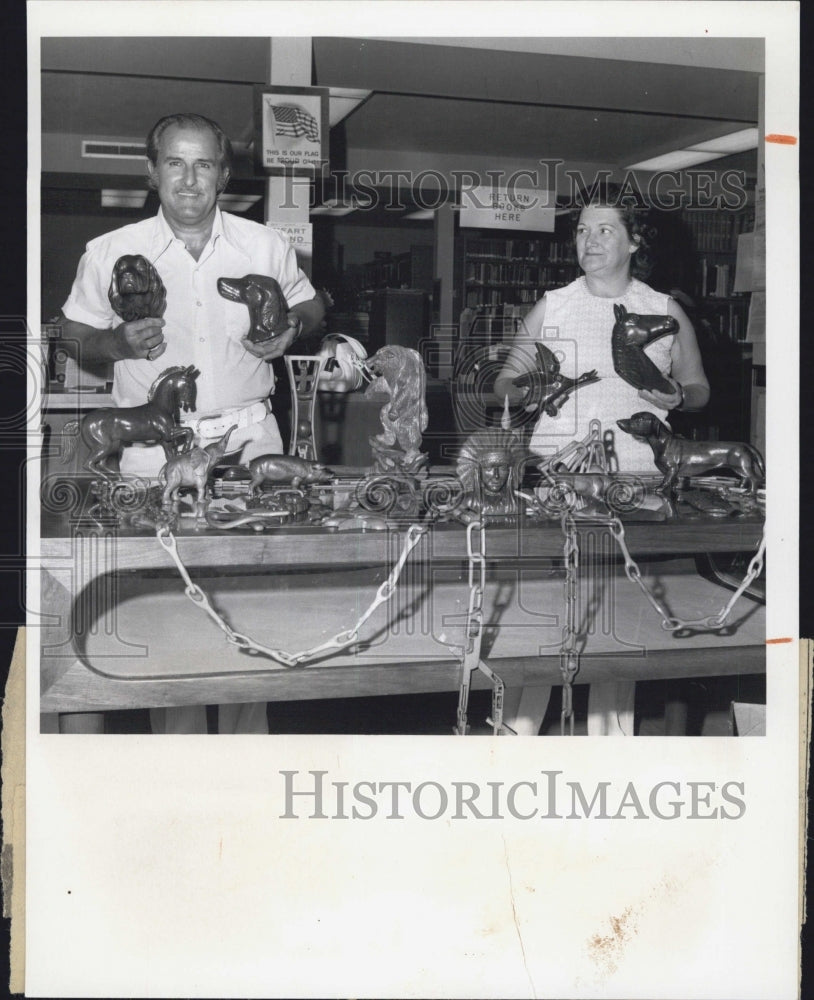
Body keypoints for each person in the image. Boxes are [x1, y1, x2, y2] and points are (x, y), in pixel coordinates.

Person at [60, 113, 325, 734]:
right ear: (151, 173)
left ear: (224, 175)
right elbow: (71, 335)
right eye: (174, 163)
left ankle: (245, 751)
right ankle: (179, 755)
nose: (188, 179)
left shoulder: (264, 245)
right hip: (153, 451)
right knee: (167, 613)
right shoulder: (109, 251)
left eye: (203, 164)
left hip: (249, 444)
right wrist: (115, 343)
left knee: (249, 607)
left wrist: (293, 328)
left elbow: (312, 305)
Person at [494, 190, 709, 736]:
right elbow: (504, 381)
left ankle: (610, 747)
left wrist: (678, 397)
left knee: (615, 620)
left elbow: (698, 387)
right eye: (582, 230)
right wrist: (531, 387)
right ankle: (514, 741)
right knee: (543, 614)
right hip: (556, 480)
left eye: (604, 230)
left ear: (635, 242)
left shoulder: (664, 310)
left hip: (636, 482)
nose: (588, 241)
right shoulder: (553, 304)